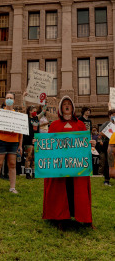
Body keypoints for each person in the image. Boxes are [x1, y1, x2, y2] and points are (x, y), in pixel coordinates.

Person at [43, 96, 95, 229]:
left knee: (76, 189)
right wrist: (39, 144)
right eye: (64, 104)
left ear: (73, 108)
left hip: (76, 166)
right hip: (61, 167)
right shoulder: (54, 125)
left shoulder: (80, 125)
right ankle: (61, 217)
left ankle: (81, 216)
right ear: (61, 108)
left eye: (69, 104)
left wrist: (91, 143)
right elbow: (49, 145)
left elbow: (84, 143)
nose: (67, 106)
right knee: (61, 189)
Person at [0, 93, 23, 195]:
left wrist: (20, 145)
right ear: (5, 100)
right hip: (1, 140)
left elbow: (21, 131)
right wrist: (5, 130)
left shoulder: (17, 114)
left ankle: (12, 187)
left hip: (13, 142)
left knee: (12, 164)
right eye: (7, 98)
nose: (9, 100)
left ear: (14, 100)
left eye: (11, 98)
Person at [23, 101, 47, 179]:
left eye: (36, 111)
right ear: (30, 111)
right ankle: (27, 174)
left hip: (35, 140)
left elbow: (43, 111)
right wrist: (24, 98)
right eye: (34, 110)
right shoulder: (26, 118)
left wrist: (45, 102)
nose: (35, 112)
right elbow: (23, 108)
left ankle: (34, 173)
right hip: (28, 140)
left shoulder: (37, 118)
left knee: (34, 157)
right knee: (28, 157)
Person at [96, 108, 115, 186]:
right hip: (107, 144)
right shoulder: (107, 124)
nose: (114, 116)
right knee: (108, 162)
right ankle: (106, 180)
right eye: (113, 115)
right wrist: (108, 133)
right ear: (109, 116)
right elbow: (100, 133)